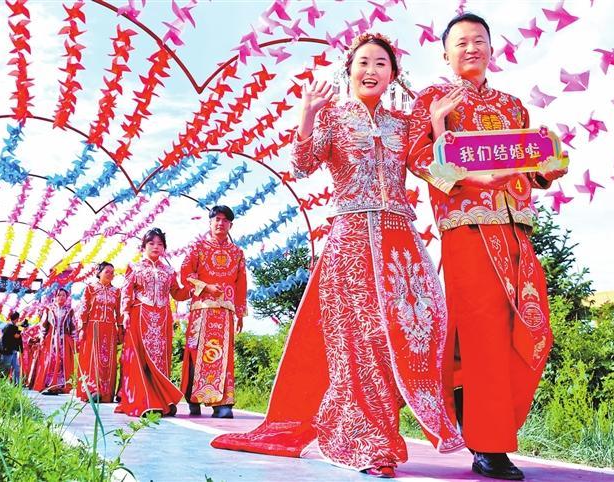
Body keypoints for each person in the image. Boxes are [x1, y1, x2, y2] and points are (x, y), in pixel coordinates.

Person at [212, 32, 463, 478]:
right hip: (350, 243)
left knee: (399, 341)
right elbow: (302, 165)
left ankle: (378, 433)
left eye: (381, 64)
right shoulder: (332, 117)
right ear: (349, 71)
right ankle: (371, 443)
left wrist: (439, 125)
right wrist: (307, 114)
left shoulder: (404, 123)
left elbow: (442, 174)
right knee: (360, 343)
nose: (372, 70)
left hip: (400, 246)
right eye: (363, 62)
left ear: (393, 75)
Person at [409, 13, 568, 480]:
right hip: (468, 229)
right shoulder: (432, 99)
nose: (471, 48)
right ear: (445, 53)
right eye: (461, 42)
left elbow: (530, 167)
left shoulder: (514, 107)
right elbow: (418, 160)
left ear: (492, 49)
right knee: (483, 338)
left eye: (479, 40)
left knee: (533, 330)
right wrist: (439, 128)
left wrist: (548, 166)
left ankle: (484, 424)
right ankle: (489, 444)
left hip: (516, 228)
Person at [179, 205, 247, 419]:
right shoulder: (197, 247)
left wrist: (240, 313)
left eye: (225, 220)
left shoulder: (237, 253)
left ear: (230, 225)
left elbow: (241, 283)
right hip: (201, 310)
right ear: (210, 222)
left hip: (225, 312)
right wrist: (206, 287)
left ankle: (222, 404)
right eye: (217, 219)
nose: (220, 223)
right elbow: (185, 274)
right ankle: (193, 398)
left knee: (224, 357)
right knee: (197, 353)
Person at [115, 228, 189, 417]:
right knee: (140, 359)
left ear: (164, 248)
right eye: (151, 243)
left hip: (163, 318)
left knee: (160, 358)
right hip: (140, 316)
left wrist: (194, 287)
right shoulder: (135, 267)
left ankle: (162, 400)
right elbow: (126, 291)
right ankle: (144, 400)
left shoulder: (169, 271)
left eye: (160, 244)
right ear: (143, 246)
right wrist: (125, 312)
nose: (156, 247)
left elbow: (177, 293)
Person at [77, 261, 122, 403]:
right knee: (93, 359)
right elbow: (84, 309)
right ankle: (92, 390)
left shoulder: (117, 292)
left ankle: (106, 393)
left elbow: (119, 313)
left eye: (112, 272)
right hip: (93, 327)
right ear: (99, 272)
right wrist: (82, 328)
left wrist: (120, 329)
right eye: (107, 271)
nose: (110, 274)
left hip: (110, 329)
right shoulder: (90, 289)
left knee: (108, 361)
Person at [32, 288, 76, 394]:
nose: (61, 297)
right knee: (51, 361)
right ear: (55, 297)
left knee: (62, 362)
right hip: (51, 340)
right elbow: (43, 325)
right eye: (59, 295)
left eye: (64, 295)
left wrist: (75, 340)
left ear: (67, 297)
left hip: (64, 340)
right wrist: (42, 337)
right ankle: (49, 384)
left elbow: (73, 326)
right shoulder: (49, 309)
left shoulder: (69, 310)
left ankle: (61, 385)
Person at [0, 311, 23, 385]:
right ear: (16, 318)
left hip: (12, 351)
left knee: (16, 367)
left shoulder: (8, 326)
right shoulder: (11, 327)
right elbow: (16, 336)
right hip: (9, 351)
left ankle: (16, 384)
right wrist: (21, 328)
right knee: (7, 368)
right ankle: (2, 383)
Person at [21, 320, 43, 388]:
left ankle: (26, 381)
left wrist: (34, 341)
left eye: (26, 327)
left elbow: (31, 342)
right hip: (23, 352)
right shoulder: (22, 334)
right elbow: (27, 342)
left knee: (28, 367)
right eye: (24, 327)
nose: (25, 328)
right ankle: (23, 381)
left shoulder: (29, 333)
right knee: (24, 367)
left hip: (29, 352)